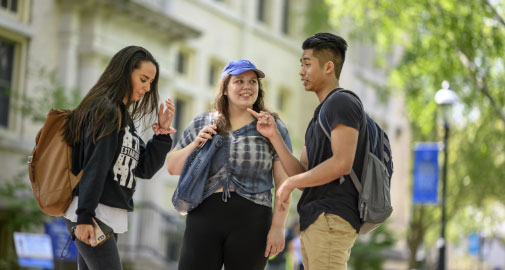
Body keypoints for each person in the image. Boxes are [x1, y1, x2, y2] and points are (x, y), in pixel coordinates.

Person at [248, 33, 365, 269]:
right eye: (301, 64)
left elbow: (342, 163)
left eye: (307, 64)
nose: (301, 71)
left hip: (332, 218)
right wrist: (275, 137)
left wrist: (288, 185)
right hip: (315, 219)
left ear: (329, 66)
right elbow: (303, 176)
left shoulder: (342, 103)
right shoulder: (319, 115)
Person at [166, 59, 293, 270]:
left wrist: (278, 227)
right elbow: (172, 167)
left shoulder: (272, 126)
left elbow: (283, 183)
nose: (247, 87)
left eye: (253, 82)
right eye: (239, 81)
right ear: (225, 87)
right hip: (204, 216)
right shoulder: (202, 123)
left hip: (253, 220)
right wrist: (195, 144)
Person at [62, 45, 176, 270]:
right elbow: (95, 166)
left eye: (151, 82)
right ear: (125, 72)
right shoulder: (107, 112)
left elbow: (144, 168)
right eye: (143, 79)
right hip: (94, 214)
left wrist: (161, 134)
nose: (147, 88)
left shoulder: (124, 118)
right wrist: (84, 216)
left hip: (108, 216)